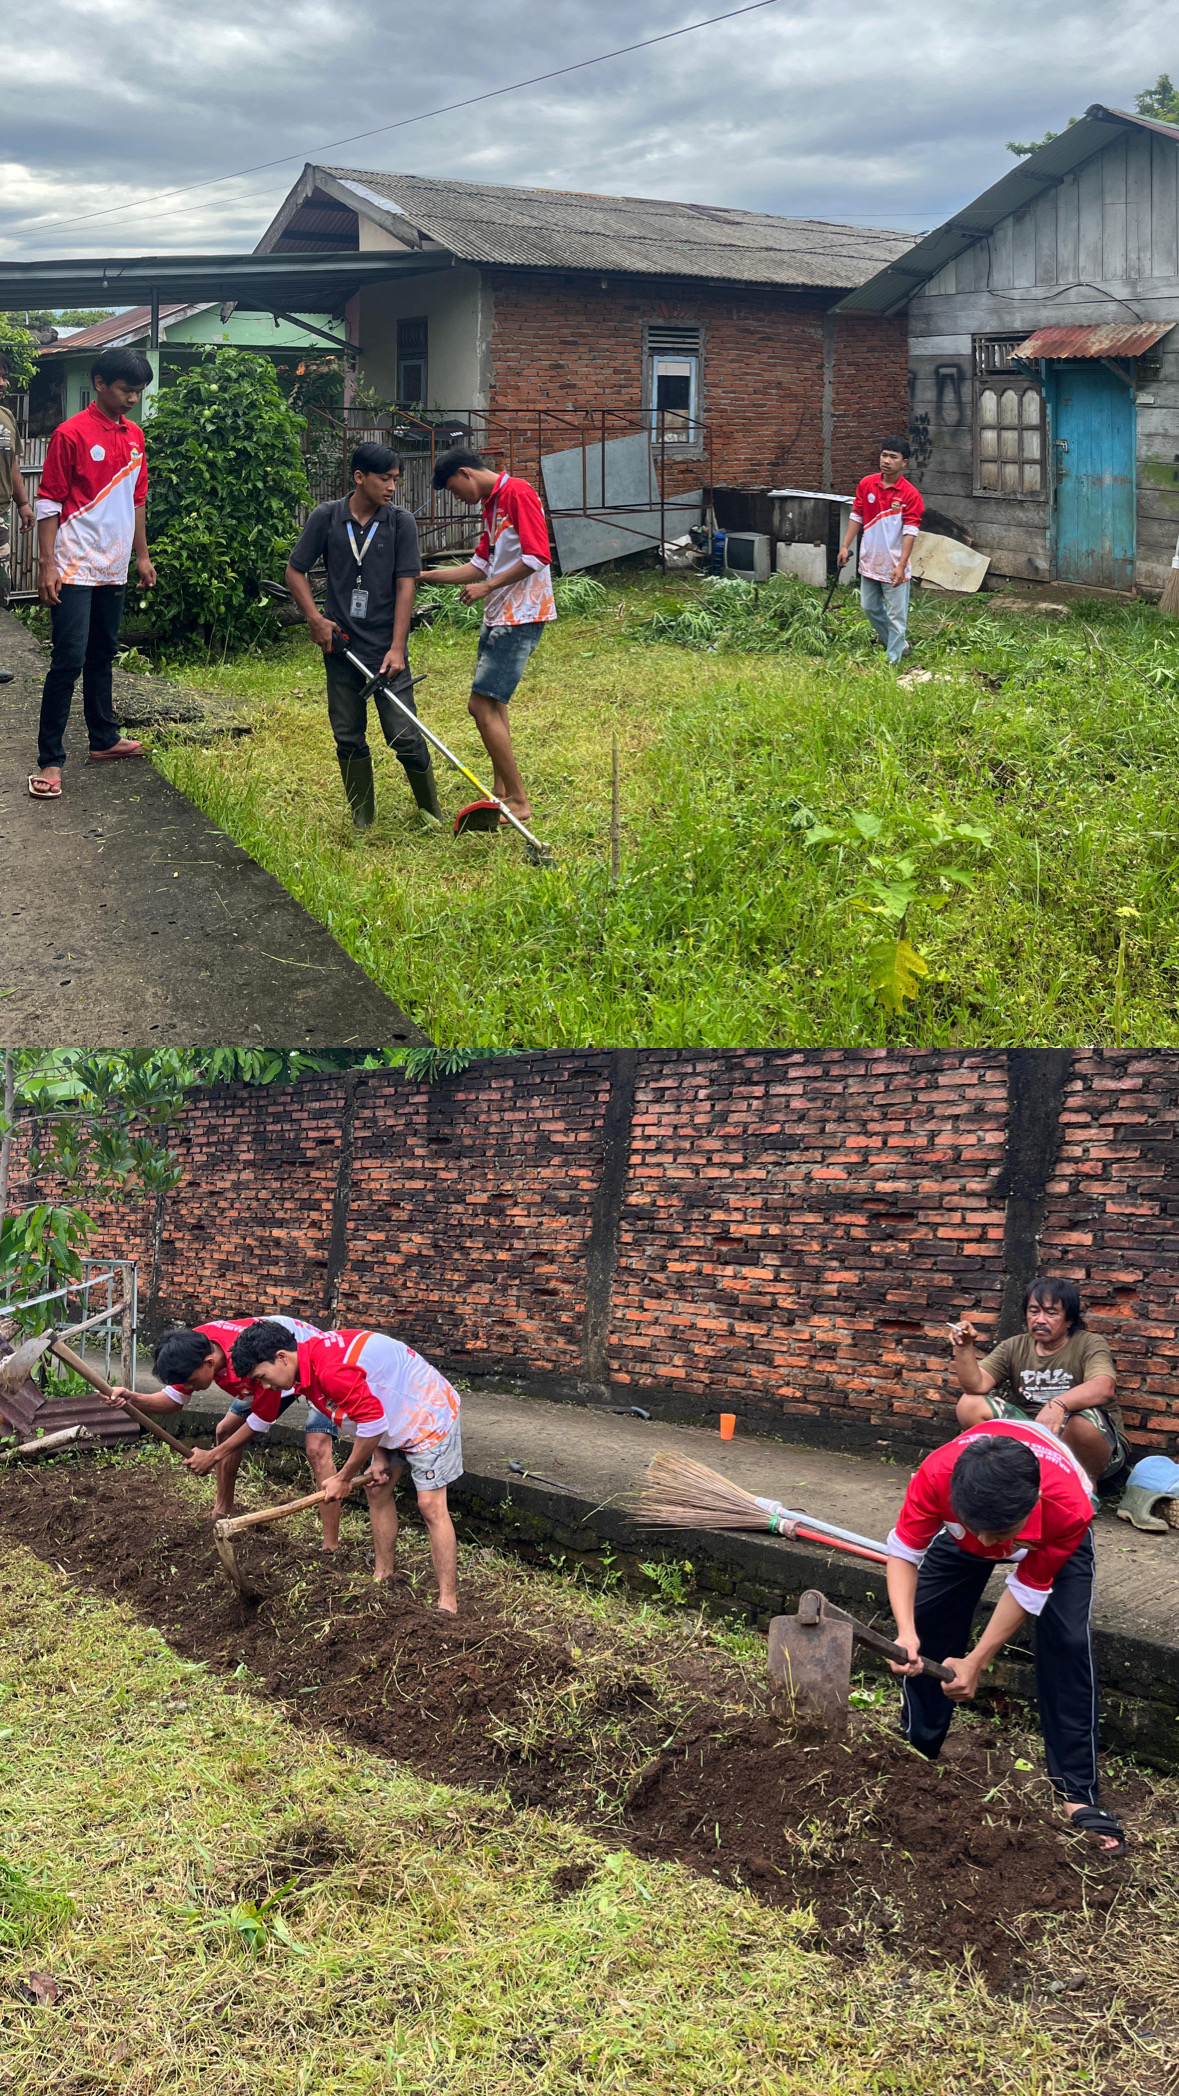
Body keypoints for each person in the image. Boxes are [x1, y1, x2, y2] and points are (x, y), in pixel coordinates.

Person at [886, 1417, 1125, 1857]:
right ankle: (917, 1747)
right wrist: (906, 1632)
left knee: (1067, 1642)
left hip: (1051, 1536)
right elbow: (904, 1551)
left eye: (996, 1537)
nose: (986, 1543)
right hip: (967, 1525)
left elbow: (1028, 1588)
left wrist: (976, 1661)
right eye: (978, 1530)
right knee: (929, 1618)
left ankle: (1077, 1792)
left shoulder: (1068, 1506)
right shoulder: (936, 1475)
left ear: (1032, 1505)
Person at [229, 1320, 462, 1611]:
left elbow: (373, 1422)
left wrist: (343, 1477)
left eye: (262, 1377)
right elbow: (368, 1407)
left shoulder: (329, 1370)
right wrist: (378, 1457)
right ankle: (384, 1575)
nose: (265, 1386)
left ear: (282, 1357)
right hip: (392, 1413)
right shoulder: (307, 1370)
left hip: (428, 1411)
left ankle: (447, 1603)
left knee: (430, 1505)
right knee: (377, 1489)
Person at [285, 442, 440, 833]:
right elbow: (295, 570)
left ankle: (430, 810)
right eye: (385, 478)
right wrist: (315, 619)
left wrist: (398, 648)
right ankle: (362, 818)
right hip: (340, 645)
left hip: (386, 650)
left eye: (395, 479)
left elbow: (406, 584)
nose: (392, 487)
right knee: (348, 734)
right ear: (359, 477)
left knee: (404, 734)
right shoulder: (327, 517)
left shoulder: (400, 522)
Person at [29, 345, 156, 801]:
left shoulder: (135, 436)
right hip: (73, 566)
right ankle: (50, 759)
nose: (133, 399)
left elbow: (136, 501)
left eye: (139, 392)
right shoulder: (71, 433)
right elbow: (48, 501)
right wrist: (47, 564)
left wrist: (142, 557)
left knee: (102, 654)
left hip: (113, 567)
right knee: (68, 659)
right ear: (99, 384)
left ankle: (103, 738)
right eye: (126, 390)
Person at [103, 1316, 343, 1547]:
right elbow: (174, 1401)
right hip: (258, 1380)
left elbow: (262, 1419)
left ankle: (330, 1544)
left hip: (304, 1363)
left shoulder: (251, 1363)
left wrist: (213, 1456)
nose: (188, 1387)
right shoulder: (190, 1348)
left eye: (190, 1382)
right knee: (225, 1431)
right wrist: (133, 1399)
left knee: (317, 1449)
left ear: (209, 1363)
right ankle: (222, 1511)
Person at [424, 448, 557, 825]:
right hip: (500, 614)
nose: (456, 498)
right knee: (494, 704)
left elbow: (537, 556)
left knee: (479, 705)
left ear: (465, 473)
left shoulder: (518, 493)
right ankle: (501, 791)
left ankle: (519, 802)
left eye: (454, 490)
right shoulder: (491, 505)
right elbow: (478, 566)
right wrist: (422, 575)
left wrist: (489, 587)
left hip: (521, 614)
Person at [949, 1279, 1129, 1489]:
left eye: (1051, 1313)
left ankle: (1085, 1488)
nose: (1040, 1320)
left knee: (1081, 1424)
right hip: (1033, 1440)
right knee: (970, 1403)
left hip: (1094, 1448)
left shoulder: (1089, 1343)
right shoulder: (1014, 1346)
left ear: (1069, 1319)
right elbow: (975, 1386)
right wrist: (964, 1348)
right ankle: (1014, 1476)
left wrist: (1059, 1405)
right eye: (1033, 1311)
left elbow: (1104, 1387)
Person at [837, 437, 923, 667]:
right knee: (869, 607)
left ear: (904, 463)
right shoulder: (867, 484)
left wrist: (901, 565)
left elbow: (910, 531)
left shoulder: (910, 494)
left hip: (895, 565)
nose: (887, 461)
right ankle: (900, 645)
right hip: (869, 561)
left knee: (897, 616)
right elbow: (856, 515)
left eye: (893, 457)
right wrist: (845, 546)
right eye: (884, 455)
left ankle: (893, 660)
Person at [0, 351, 35, 684]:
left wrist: (23, 503)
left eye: (5, 376)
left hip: (1, 517)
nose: (2, 382)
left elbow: (12, 463)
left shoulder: (6, 416)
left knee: (0, 589)